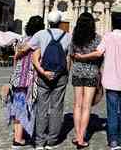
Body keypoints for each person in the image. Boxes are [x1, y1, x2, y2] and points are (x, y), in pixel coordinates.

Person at [77, 13, 121, 149]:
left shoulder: (106, 38)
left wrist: (82, 57)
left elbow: (98, 53)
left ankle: (113, 141)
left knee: (111, 111)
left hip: (110, 80)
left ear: (111, 23)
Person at [23, 11, 72, 150]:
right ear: (60, 21)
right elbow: (69, 58)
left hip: (43, 74)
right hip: (60, 75)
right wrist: (65, 73)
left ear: (48, 21)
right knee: (57, 108)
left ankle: (39, 141)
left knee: (41, 108)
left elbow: (27, 48)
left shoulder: (40, 34)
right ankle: (52, 140)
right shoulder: (68, 36)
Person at [8, 15, 45, 149]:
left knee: (18, 106)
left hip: (18, 78)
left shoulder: (21, 40)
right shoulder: (39, 41)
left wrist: (14, 75)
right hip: (31, 78)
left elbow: (15, 60)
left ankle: (18, 137)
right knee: (28, 107)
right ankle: (21, 137)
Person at [69, 13, 103, 149]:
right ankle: (82, 138)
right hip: (91, 72)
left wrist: (80, 58)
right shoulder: (97, 38)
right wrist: (87, 57)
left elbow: (71, 54)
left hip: (77, 71)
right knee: (86, 106)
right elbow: (99, 54)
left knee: (77, 104)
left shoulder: (74, 38)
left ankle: (77, 136)